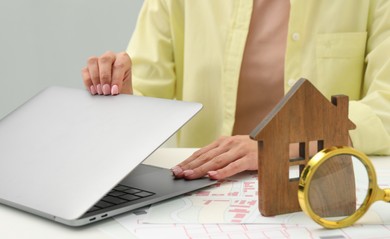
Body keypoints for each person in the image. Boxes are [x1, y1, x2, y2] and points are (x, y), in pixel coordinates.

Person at [82, 0, 390, 181]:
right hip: (202, 191)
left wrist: (282, 147)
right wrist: (122, 96)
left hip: (323, 184)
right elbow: (147, 99)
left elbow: (385, 109)